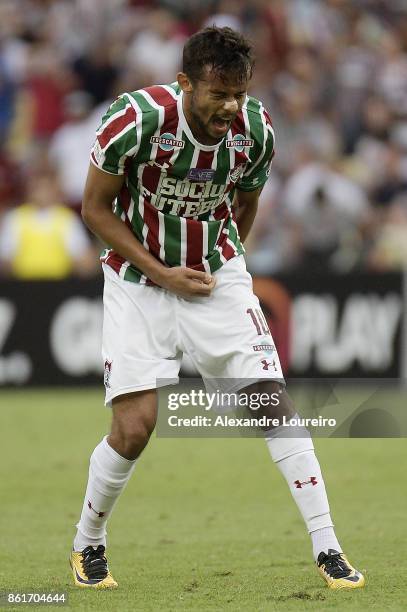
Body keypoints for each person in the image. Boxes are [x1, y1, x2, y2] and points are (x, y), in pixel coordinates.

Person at [70, 26, 365, 591]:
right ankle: (88, 544)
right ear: (185, 83)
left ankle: (329, 548)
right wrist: (161, 273)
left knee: (270, 404)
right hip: (139, 279)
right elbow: (94, 208)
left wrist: (218, 266)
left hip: (212, 276)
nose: (231, 105)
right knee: (135, 429)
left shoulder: (255, 129)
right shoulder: (134, 120)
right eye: (218, 93)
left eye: (240, 92)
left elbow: (246, 203)